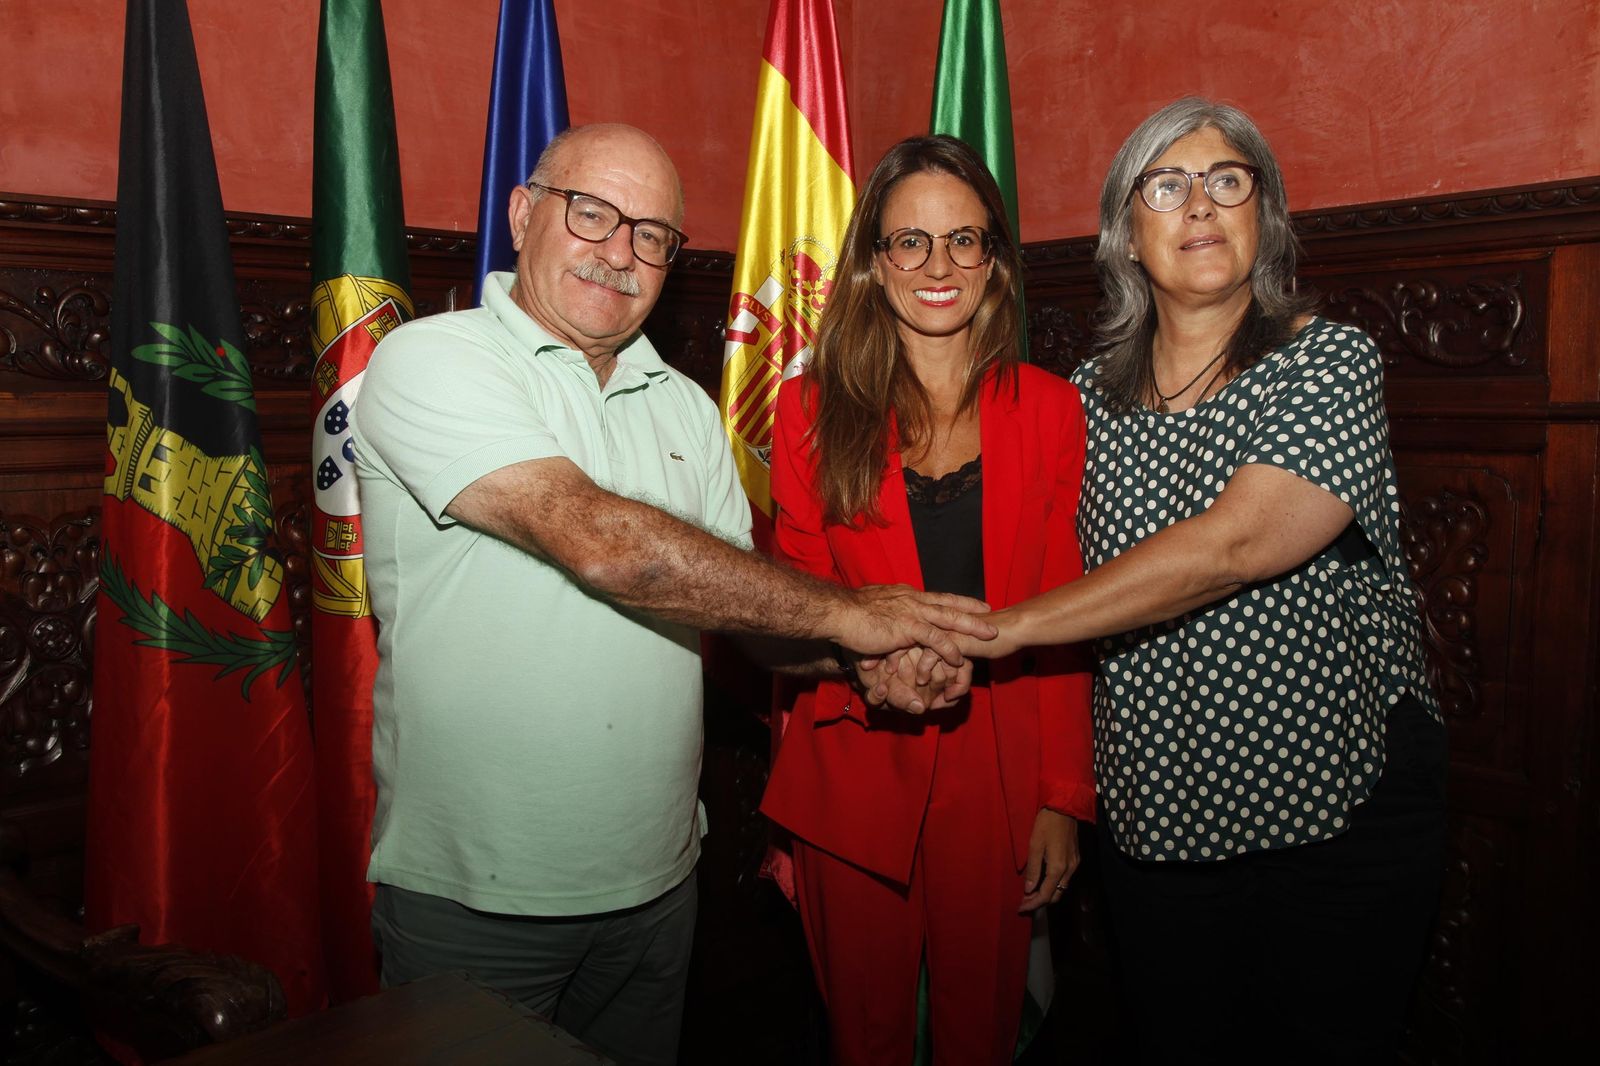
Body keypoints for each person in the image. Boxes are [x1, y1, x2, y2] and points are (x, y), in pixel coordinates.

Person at [349, 123, 992, 1066]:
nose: (620, 252)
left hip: (659, 885)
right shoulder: (431, 359)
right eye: (593, 214)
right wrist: (857, 615)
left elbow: (741, 612)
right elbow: (605, 545)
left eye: (652, 234)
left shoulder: (685, 404)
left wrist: (861, 662)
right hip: (478, 898)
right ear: (525, 213)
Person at [928, 98, 1447, 1065]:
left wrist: (991, 632)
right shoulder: (1084, 397)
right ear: (1128, 234)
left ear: (1266, 218)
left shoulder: (1325, 362)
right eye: (1165, 186)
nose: (1200, 204)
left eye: (1228, 181)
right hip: (1157, 813)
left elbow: (1238, 545)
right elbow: (1026, 551)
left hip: (1336, 813)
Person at [759, 135, 1097, 1066]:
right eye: (911, 242)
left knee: (979, 1036)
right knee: (861, 1038)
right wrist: (864, 662)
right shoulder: (811, 410)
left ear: (995, 263)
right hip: (855, 755)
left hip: (1002, 768)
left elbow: (1069, 608)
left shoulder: (1053, 409)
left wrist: (1062, 797)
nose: (938, 266)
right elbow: (795, 596)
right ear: (874, 262)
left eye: (964, 241)